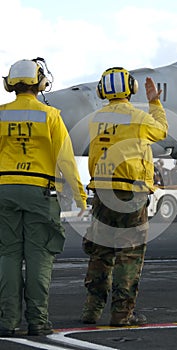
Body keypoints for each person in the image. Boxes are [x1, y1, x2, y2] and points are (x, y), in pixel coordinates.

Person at [0, 58, 87, 337]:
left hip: (5, 190)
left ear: (10, 84)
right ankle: (38, 321)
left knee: (8, 254)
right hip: (39, 192)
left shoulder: (1, 114)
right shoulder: (50, 116)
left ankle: (9, 320)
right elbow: (66, 160)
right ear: (40, 83)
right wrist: (79, 195)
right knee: (39, 256)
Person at [81, 67, 168, 327]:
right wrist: (155, 102)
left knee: (100, 252)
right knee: (129, 255)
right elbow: (161, 131)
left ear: (102, 90)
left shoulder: (96, 119)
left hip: (103, 191)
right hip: (131, 193)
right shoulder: (139, 117)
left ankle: (91, 311)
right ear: (131, 88)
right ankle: (122, 314)